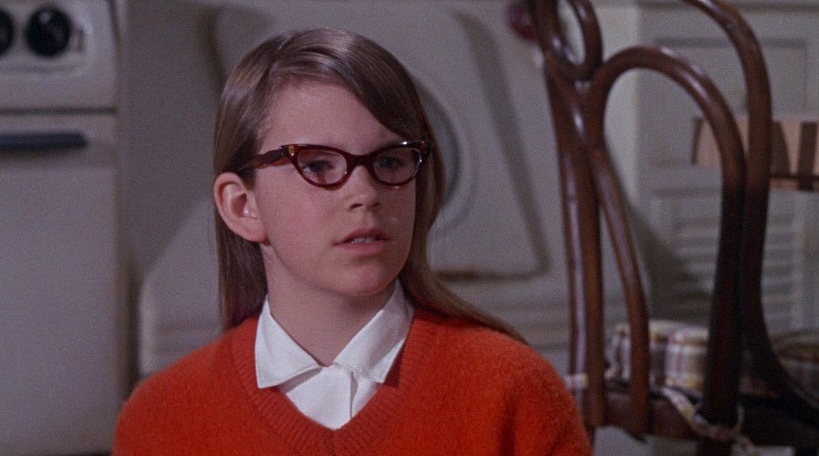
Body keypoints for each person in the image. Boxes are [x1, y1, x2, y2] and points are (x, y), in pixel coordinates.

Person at [114, 27, 591, 455]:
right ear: (243, 206)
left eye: (389, 161)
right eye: (318, 165)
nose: (365, 193)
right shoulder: (162, 419)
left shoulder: (513, 392)